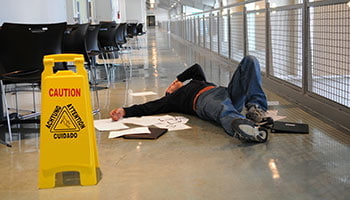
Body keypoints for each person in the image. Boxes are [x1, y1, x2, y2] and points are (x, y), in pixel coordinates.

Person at [110, 55, 270, 143]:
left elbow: (196, 68)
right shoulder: (173, 100)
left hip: (226, 92)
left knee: (250, 61)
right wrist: (124, 111)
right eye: (171, 86)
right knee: (223, 109)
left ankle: (256, 108)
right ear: (169, 92)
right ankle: (246, 128)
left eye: (174, 83)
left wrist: (179, 78)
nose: (173, 84)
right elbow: (149, 107)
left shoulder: (197, 80)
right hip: (204, 101)